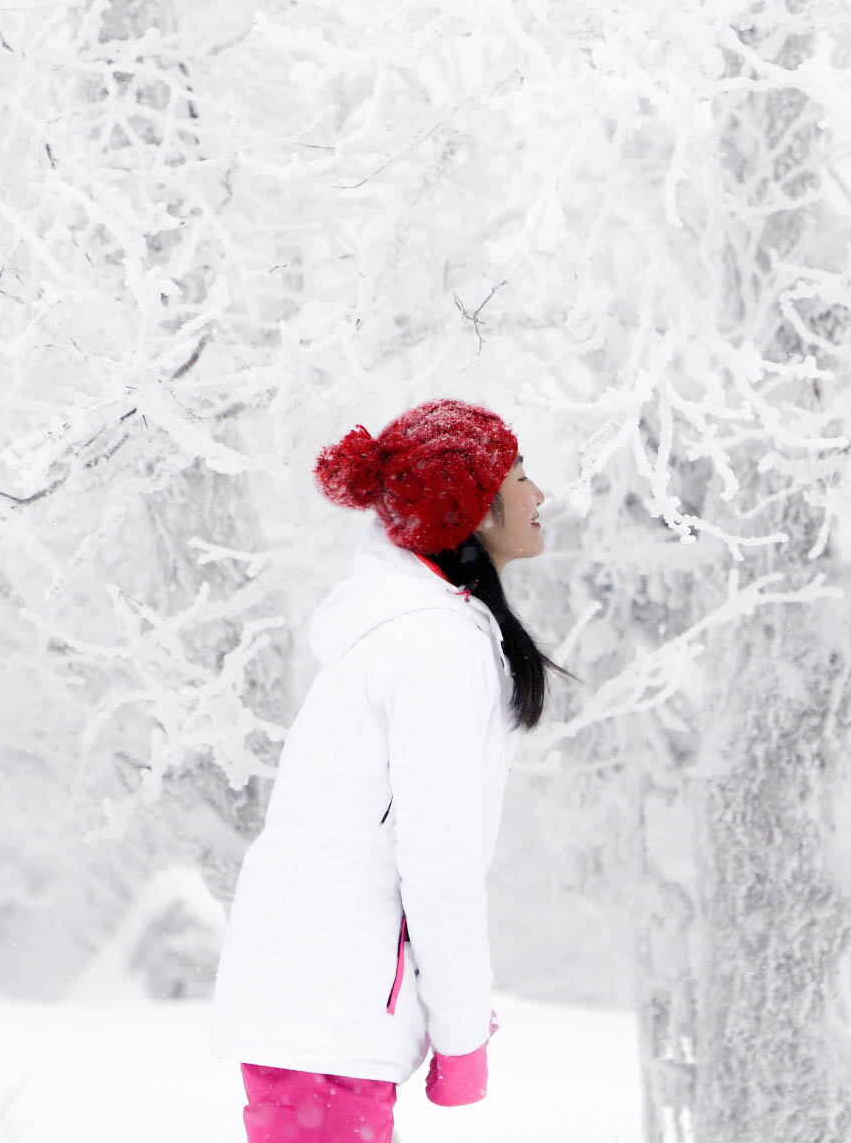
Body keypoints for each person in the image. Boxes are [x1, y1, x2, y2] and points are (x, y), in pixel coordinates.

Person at [208, 398, 568, 1143]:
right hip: (329, 1016)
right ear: (466, 508)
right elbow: (437, 861)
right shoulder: (435, 647)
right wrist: (463, 1035)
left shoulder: (414, 632)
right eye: (521, 477)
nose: (540, 496)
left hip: (317, 1010)